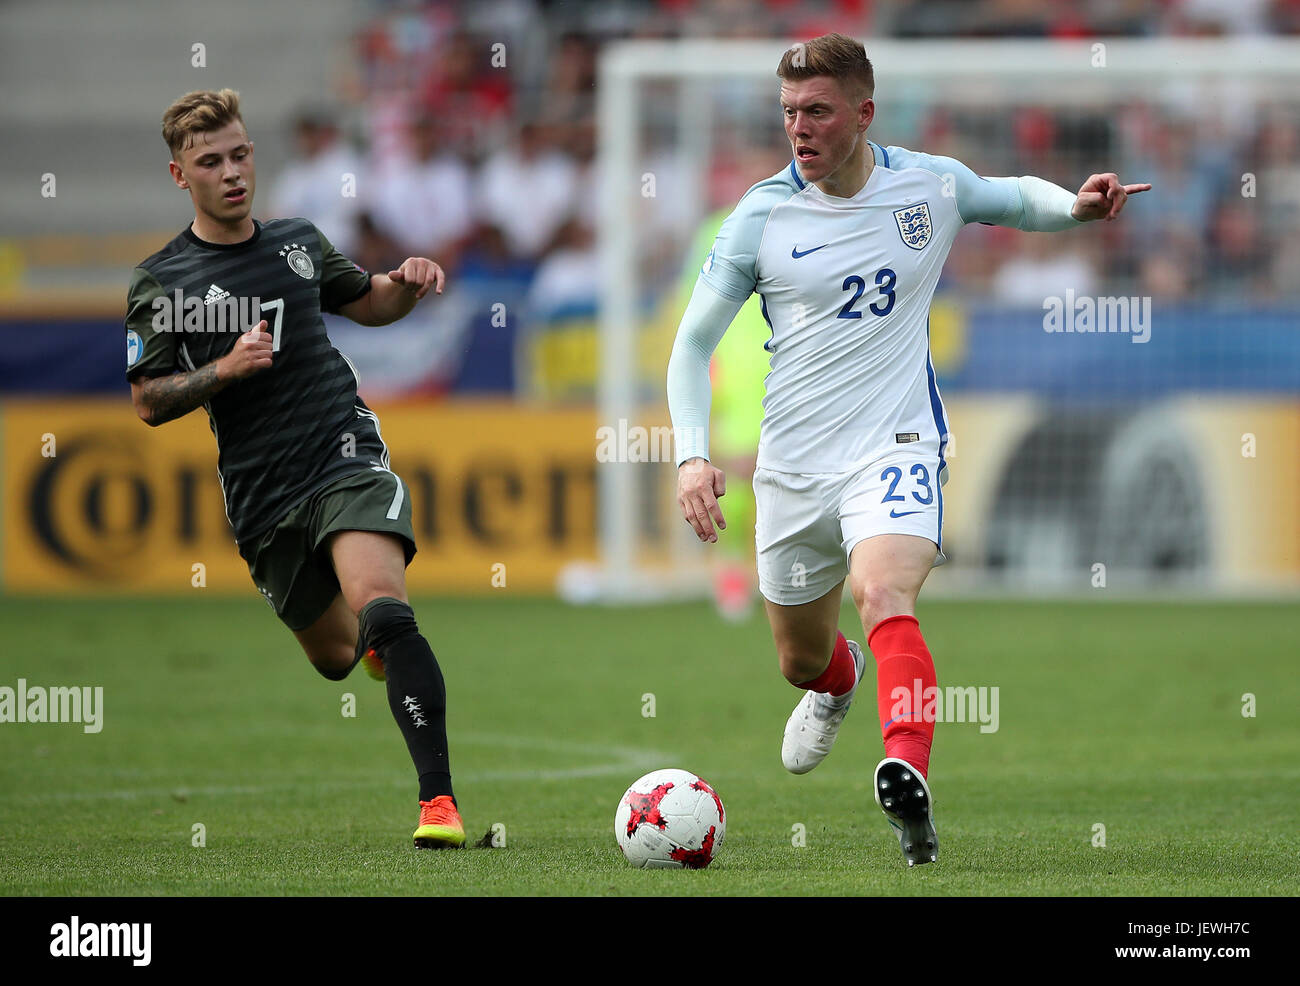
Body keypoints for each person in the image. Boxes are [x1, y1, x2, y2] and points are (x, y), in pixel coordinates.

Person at [666, 35, 1148, 866]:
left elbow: (1010, 197)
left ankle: (907, 773)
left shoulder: (927, 185)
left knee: (884, 589)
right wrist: (690, 454)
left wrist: (1077, 204)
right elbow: (689, 346)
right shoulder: (760, 217)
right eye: (788, 113)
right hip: (791, 467)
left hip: (895, 447)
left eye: (816, 111)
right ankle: (840, 682)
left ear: (864, 113)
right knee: (799, 659)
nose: (799, 129)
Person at [124, 89, 464, 849]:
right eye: (211, 161)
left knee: (385, 607)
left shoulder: (297, 242)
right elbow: (148, 400)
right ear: (181, 175)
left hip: (341, 450)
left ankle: (438, 804)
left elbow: (368, 302)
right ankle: (371, 645)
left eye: (240, 154)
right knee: (340, 655)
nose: (232, 172)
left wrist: (404, 285)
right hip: (262, 495)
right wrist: (224, 370)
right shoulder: (163, 283)